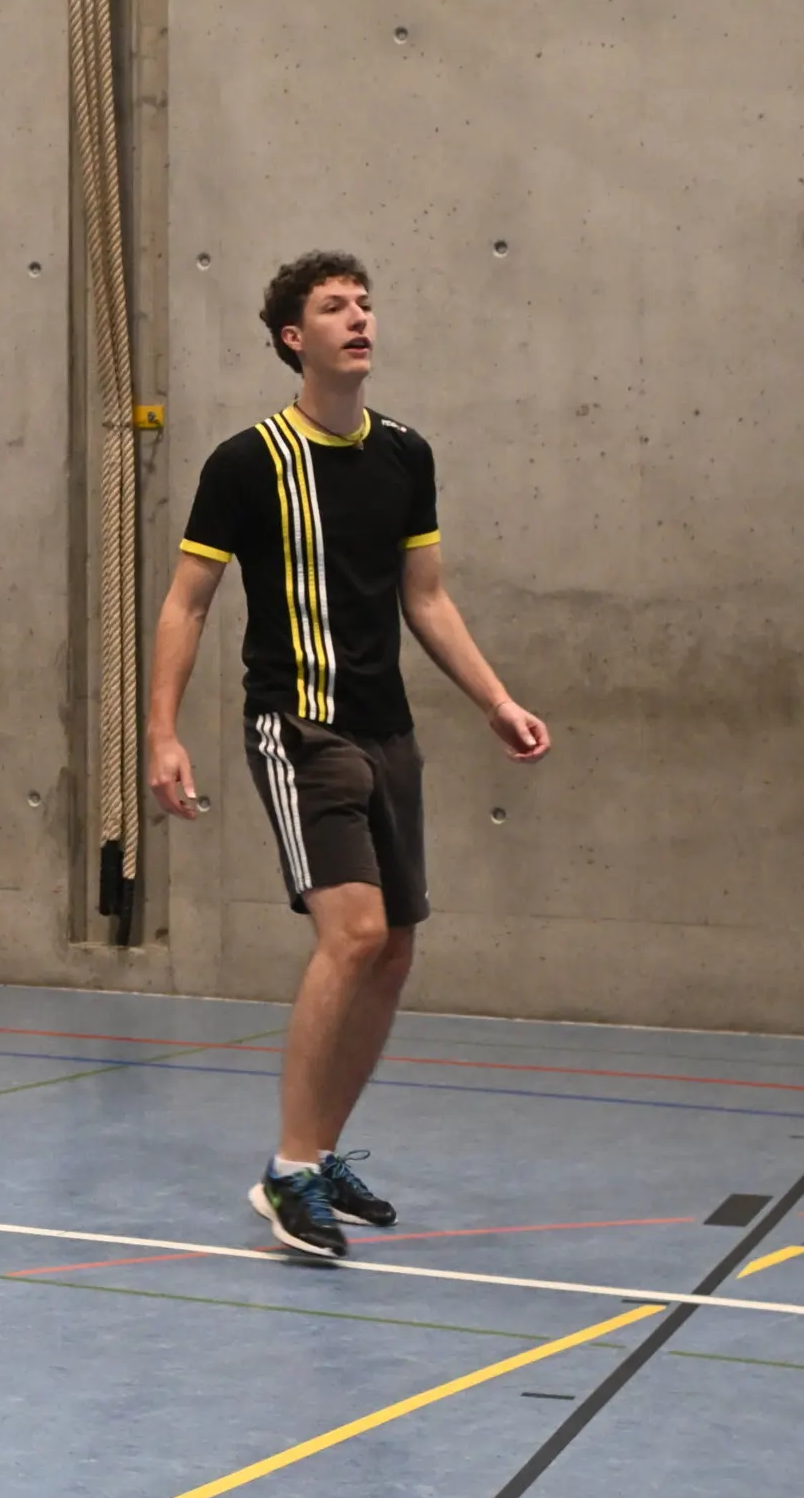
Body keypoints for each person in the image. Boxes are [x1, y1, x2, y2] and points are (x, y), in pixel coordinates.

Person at [148, 251, 549, 1261]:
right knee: (354, 931)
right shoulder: (247, 464)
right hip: (299, 724)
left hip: (389, 728)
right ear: (296, 338)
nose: (359, 318)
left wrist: (496, 699)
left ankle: (319, 1152)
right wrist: (162, 730)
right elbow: (186, 602)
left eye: (366, 302)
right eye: (335, 307)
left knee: (396, 946)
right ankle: (287, 1172)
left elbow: (427, 599)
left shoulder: (407, 455)